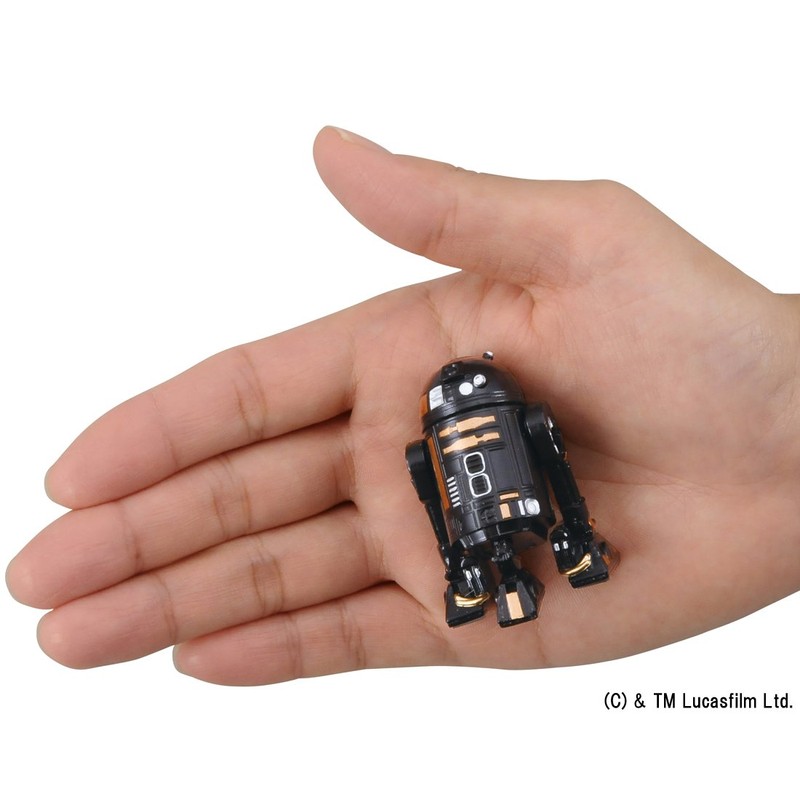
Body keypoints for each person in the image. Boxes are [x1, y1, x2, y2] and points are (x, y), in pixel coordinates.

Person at [6, 126, 800, 685]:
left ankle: (505, 577)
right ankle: (498, 580)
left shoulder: (490, 434)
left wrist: (565, 528)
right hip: (492, 525)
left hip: (501, 521)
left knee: (492, 541)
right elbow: (445, 478)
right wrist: (475, 548)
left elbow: (501, 462)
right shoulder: (455, 447)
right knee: (488, 547)